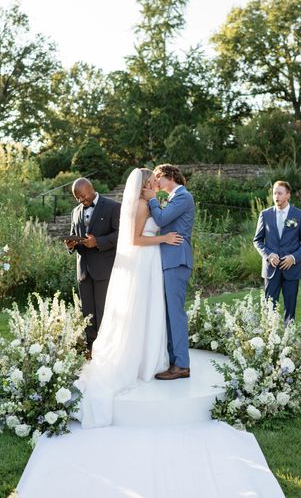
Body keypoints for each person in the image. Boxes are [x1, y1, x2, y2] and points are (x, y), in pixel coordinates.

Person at [75, 168, 183, 428]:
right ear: (145, 184)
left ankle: (152, 357)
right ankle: (142, 360)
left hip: (150, 261)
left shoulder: (149, 202)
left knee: (150, 309)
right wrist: (164, 238)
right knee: (143, 309)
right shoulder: (141, 206)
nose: (156, 183)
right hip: (144, 260)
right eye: (153, 181)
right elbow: (134, 240)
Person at [143, 164, 195, 380]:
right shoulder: (174, 198)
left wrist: (152, 199)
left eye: (157, 177)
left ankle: (182, 364)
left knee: (176, 313)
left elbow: (162, 220)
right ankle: (174, 360)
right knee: (169, 312)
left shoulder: (183, 196)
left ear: (169, 176)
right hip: (168, 259)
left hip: (177, 258)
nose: (155, 181)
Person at [65, 178, 121, 357]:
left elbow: (120, 235)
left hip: (104, 268)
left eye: (82, 196)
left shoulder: (113, 207)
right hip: (83, 269)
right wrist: (71, 245)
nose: (81, 200)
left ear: (91, 188)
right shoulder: (75, 211)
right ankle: (91, 349)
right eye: (77, 198)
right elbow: (75, 235)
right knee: (87, 313)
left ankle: (108, 349)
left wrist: (99, 242)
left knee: (104, 310)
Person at [253, 180, 301, 324]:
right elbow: (257, 241)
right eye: (274, 193)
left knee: (290, 308)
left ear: (288, 195)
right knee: (269, 307)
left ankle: (288, 339)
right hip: (271, 269)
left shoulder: (300, 215)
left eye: (279, 193)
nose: (276, 196)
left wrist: (294, 257)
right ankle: (269, 340)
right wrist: (268, 255)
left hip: (291, 268)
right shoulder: (265, 214)